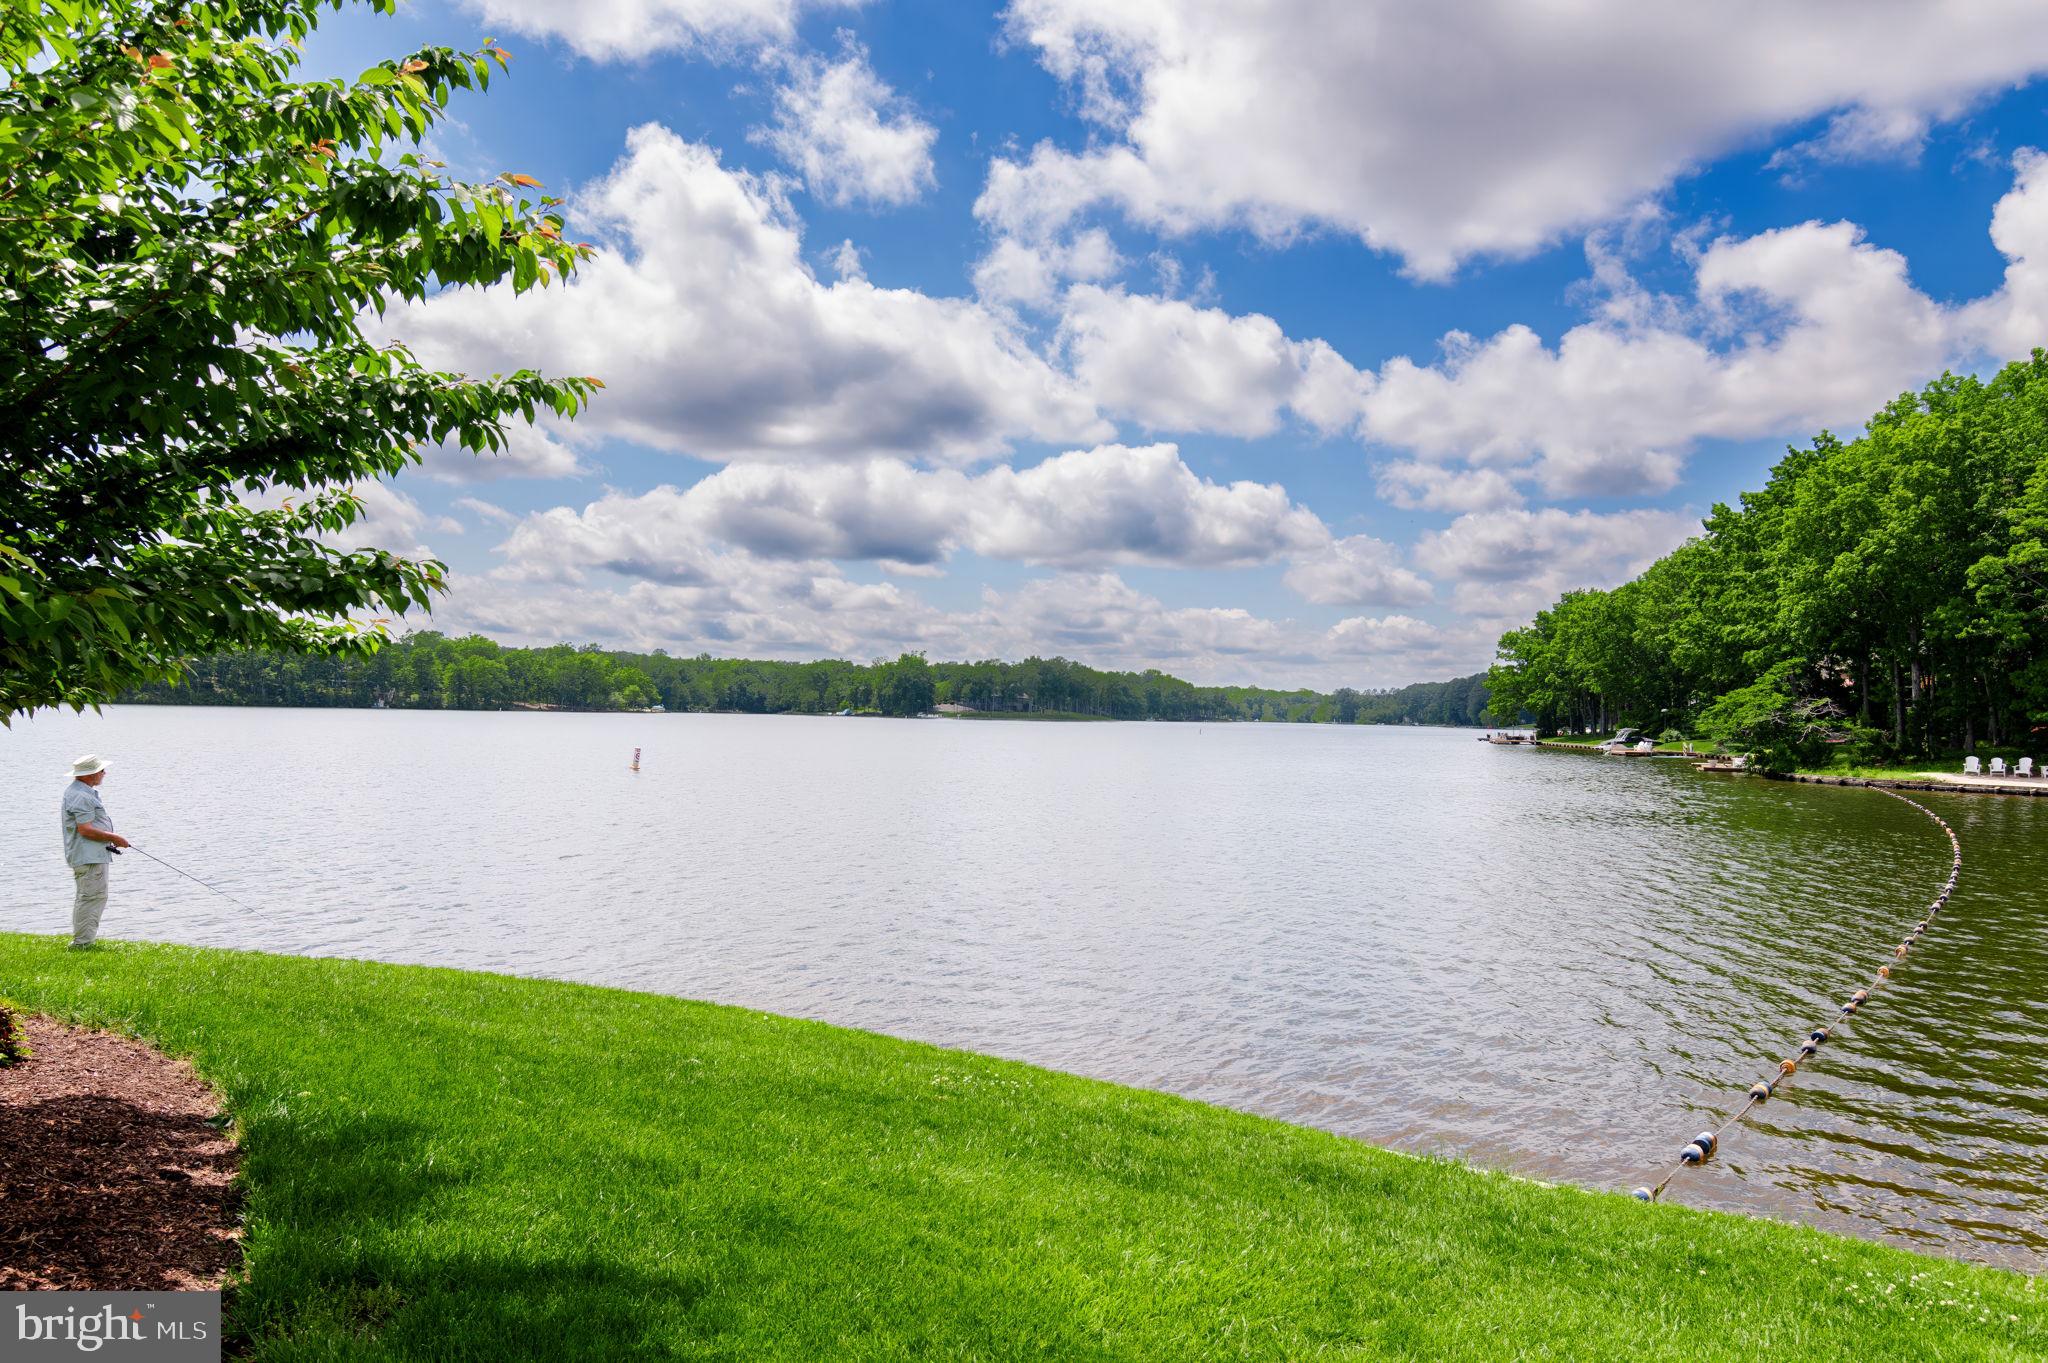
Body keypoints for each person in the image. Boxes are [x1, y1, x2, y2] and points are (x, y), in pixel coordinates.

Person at [61, 755, 129, 948]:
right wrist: (114, 837)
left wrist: (108, 837)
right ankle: (82, 944)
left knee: (90, 897)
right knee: (91, 898)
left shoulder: (81, 792)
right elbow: (85, 830)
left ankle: (82, 941)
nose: (104, 773)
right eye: (101, 771)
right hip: (88, 857)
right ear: (90, 774)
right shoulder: (81, 796)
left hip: (90, 855)